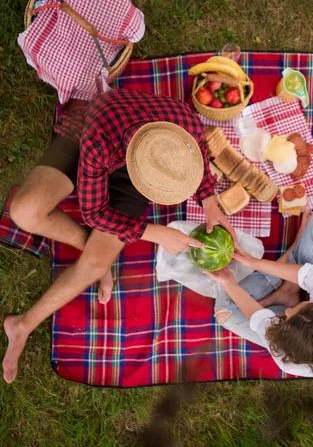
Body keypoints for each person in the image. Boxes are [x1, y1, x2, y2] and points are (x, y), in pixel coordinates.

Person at [2, 90, 235, 383]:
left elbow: (197, 155)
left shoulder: (185, 125)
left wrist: (210, 203)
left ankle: (23, 325)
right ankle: (95, 253)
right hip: (86, 141)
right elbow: (95, 213)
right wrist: (156, 233)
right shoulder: (99, 140)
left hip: (133, 160)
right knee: (25, 212)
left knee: (96, 266)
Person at [203, 207, 313, 378]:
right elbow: (303, 274)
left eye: (286, 316)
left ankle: (290, 273)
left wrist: (228, 282)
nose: (286, 311)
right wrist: (253, 262)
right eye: (299, 306)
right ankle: (288, 287)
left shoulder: (286, 355)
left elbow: (259, 319)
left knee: (225, 311)